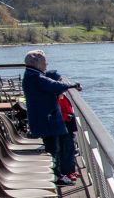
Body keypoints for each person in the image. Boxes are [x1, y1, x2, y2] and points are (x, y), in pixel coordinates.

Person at [20, 51, 83, 184]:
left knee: (54, 147)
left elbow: (50, 82)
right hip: (46, 119)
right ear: (35, 63)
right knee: (53, 149)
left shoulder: (32, 75)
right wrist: (71, 85)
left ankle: (57, 173)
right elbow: (52, 85)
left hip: (45, 118)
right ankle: (56, 176)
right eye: (44, 62)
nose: (46, 64)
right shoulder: (34, 76)